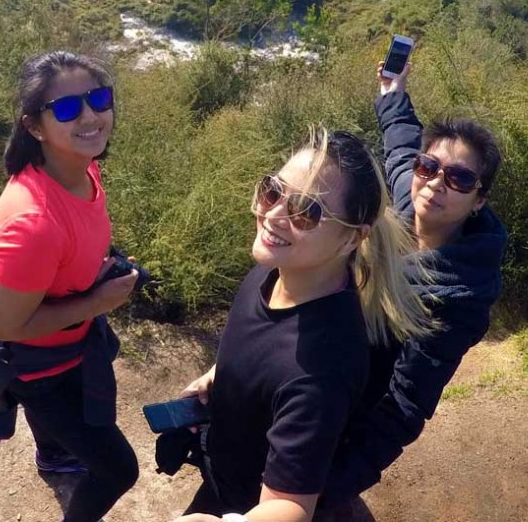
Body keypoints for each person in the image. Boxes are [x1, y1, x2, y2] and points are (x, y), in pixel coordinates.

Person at [172, 127, 433, 522]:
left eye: (307, 211)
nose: (274, 215)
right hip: (225, 476)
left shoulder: (319, 369)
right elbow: (269, 346)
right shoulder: (281, 271)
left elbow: (291, 505)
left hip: (247, 506)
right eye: (273, 191)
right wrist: (221, 374)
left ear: (351, 239)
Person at [316, 57, 508, 521]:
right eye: (430, 166)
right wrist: (392, 91)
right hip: (313, 370)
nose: (436, 181)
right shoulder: (407, 194)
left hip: (346, 421)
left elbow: (404, 406)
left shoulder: (460, 295)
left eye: (459, 178)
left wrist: (332, 485)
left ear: (479, 198)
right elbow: (401, 142)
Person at [0, 50, 139, 522]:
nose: (90, 116)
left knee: (58, 430)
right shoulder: (33, 222)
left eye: (98, 99)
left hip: (68, 346)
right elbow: (6, 325)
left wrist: (96, 277)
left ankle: (52, 455)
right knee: (118, 470)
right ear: (34, 127)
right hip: (43, 367)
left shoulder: (81, 170)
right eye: (67, 109)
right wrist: (96, 301)